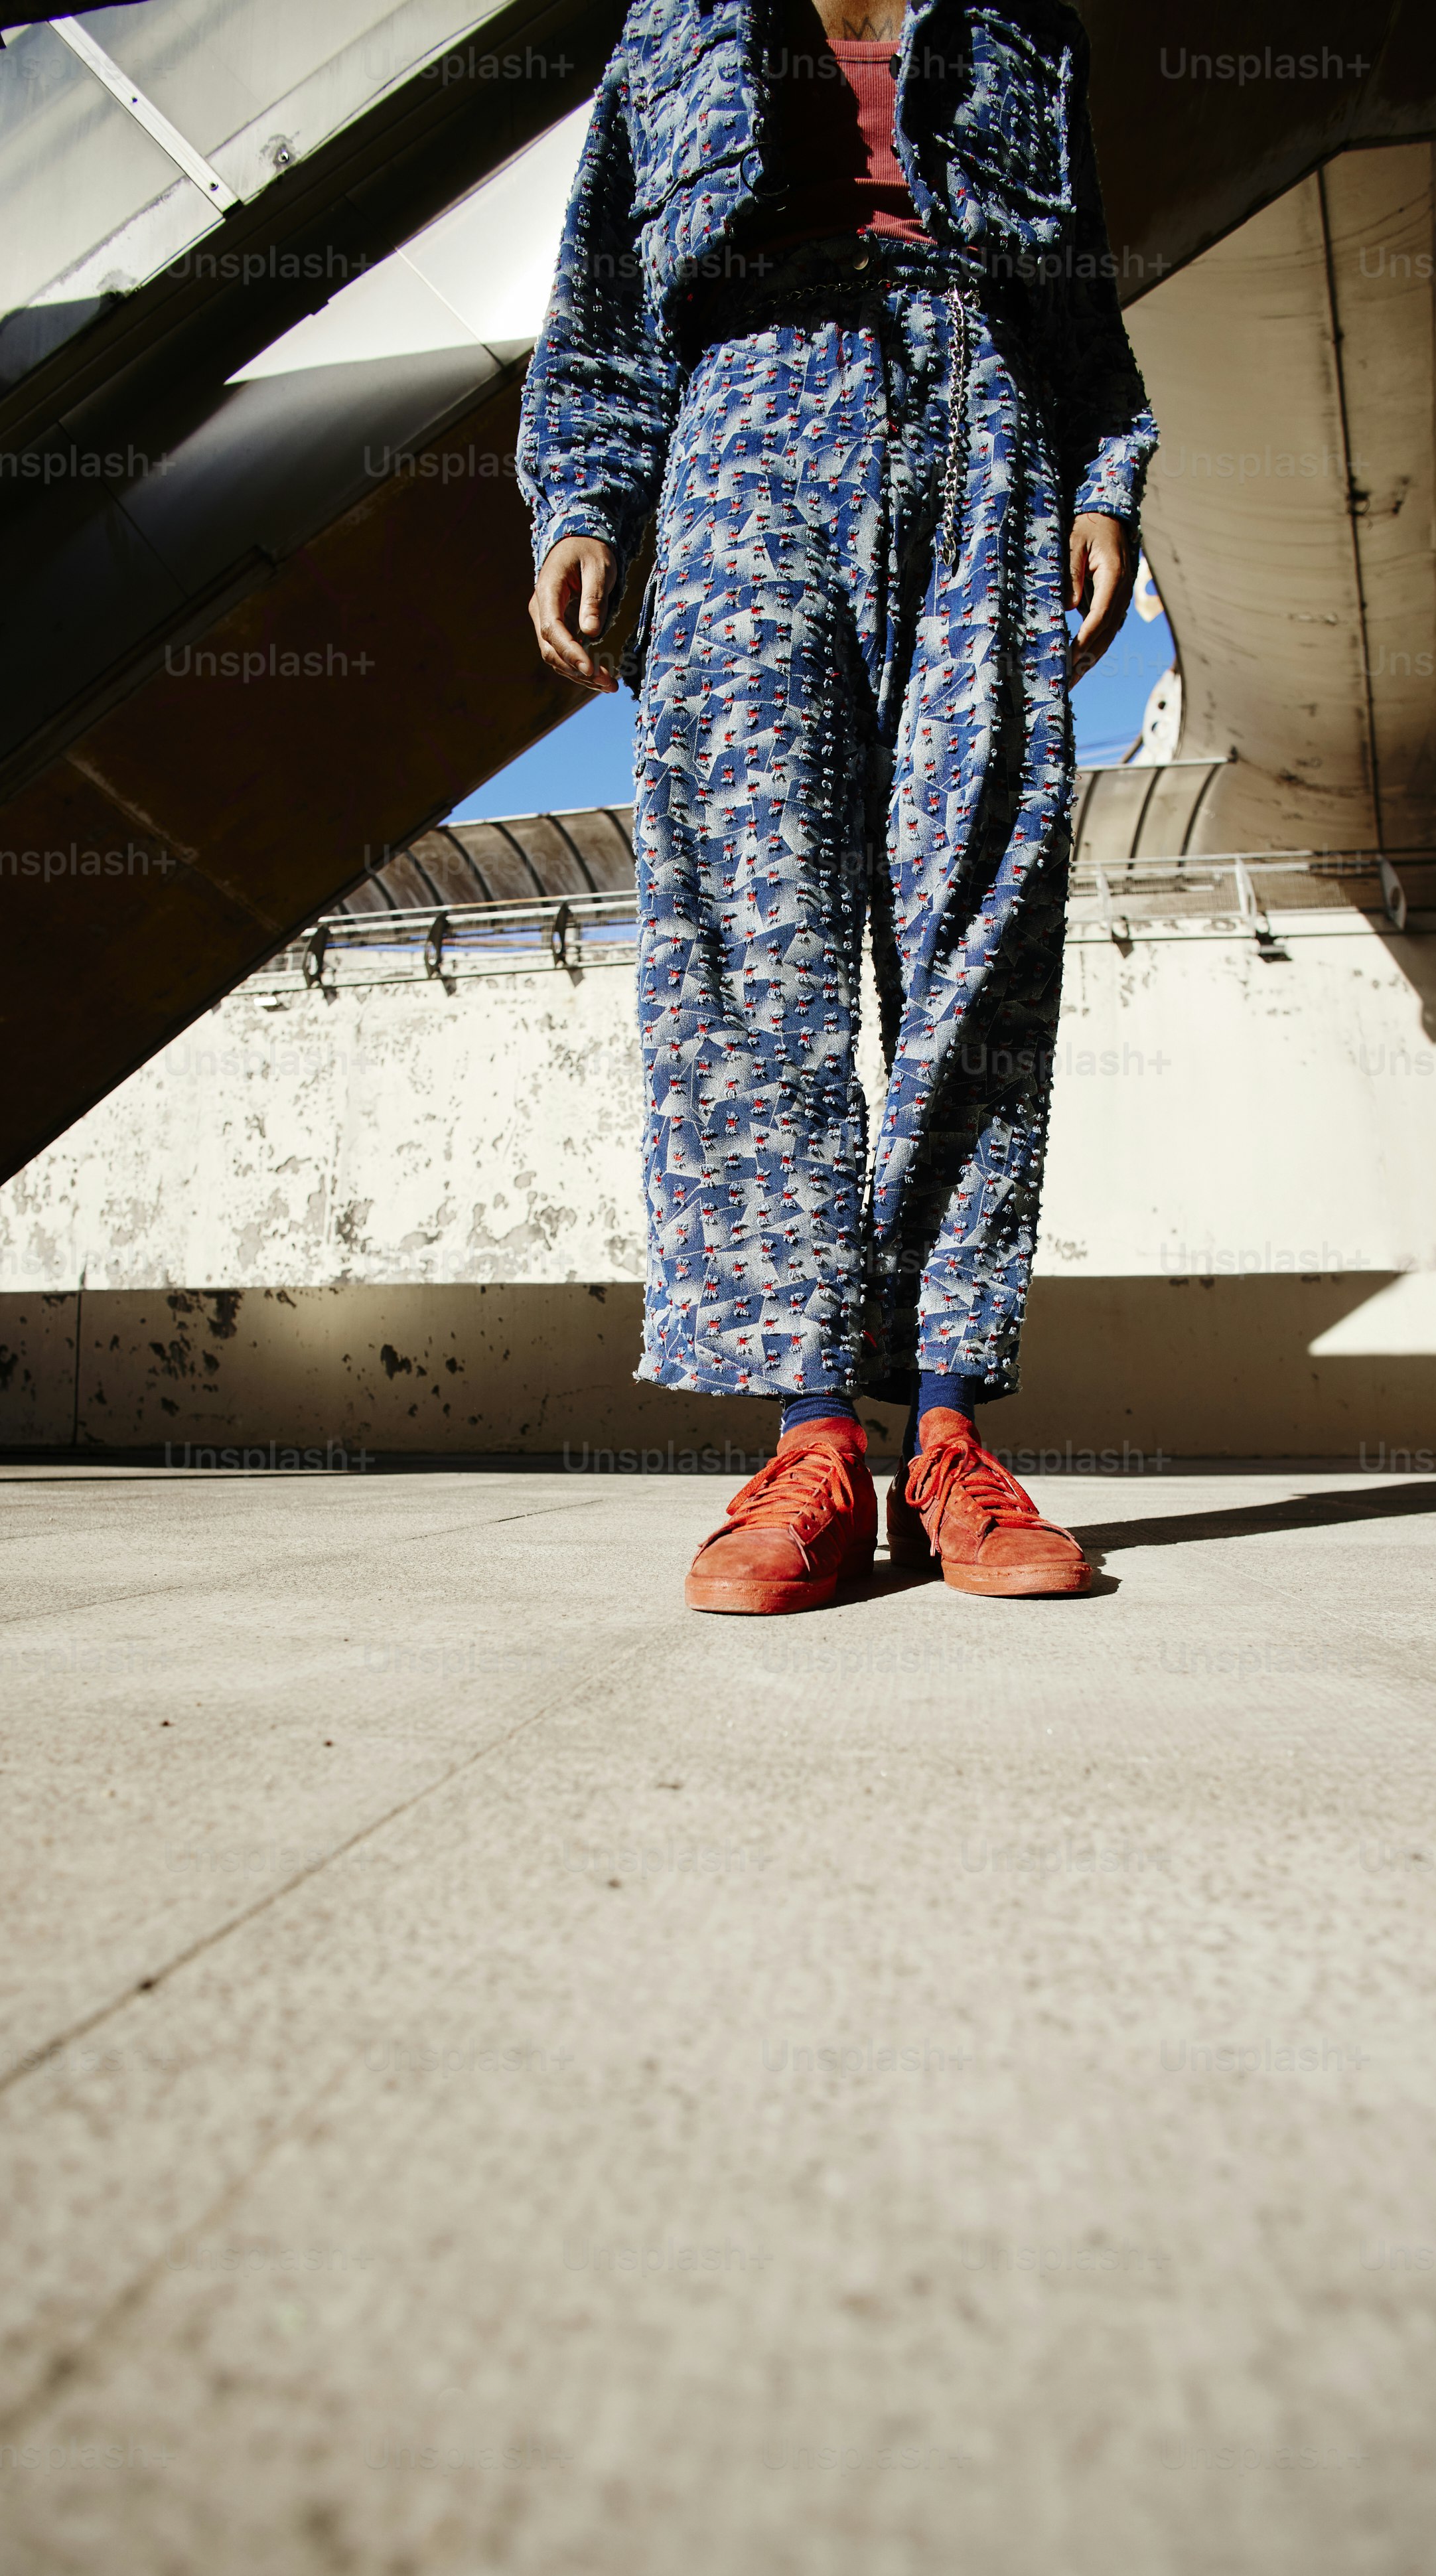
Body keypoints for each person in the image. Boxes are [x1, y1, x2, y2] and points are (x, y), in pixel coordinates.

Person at [517, 0, 1157, 1614]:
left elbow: (1078, 294)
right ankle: (810, 1438)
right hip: (741, 420)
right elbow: (602, 304)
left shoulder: (1021, 22)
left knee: (980, 909)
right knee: (748, 937)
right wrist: (586, 499)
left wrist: (1101, 472)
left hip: (988, 425)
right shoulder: (674, 19)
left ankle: (943, 1432)